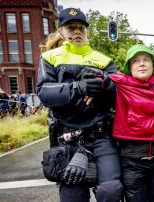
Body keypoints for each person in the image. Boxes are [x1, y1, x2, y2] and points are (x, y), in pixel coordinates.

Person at [36, 8, 123, 202]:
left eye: (81, 28)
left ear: (86, 31)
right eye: (71, 28)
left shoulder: (104, 60)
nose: (77, 32)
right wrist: (78, 87)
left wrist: (105, 83)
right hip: (68, 139)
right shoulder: (49, 58)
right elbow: (43, 92)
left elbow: (118, 94)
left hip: (102, 136)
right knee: (73, 197)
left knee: (111, 191)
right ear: (61, 32)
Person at [107, 44, 154, 202]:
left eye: (146, 59)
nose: (141, 63)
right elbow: (103, 78)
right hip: (132, 163)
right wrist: (91, 81)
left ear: (153, 64)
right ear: (130, 67)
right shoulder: (121, 82)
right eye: (136, 61)